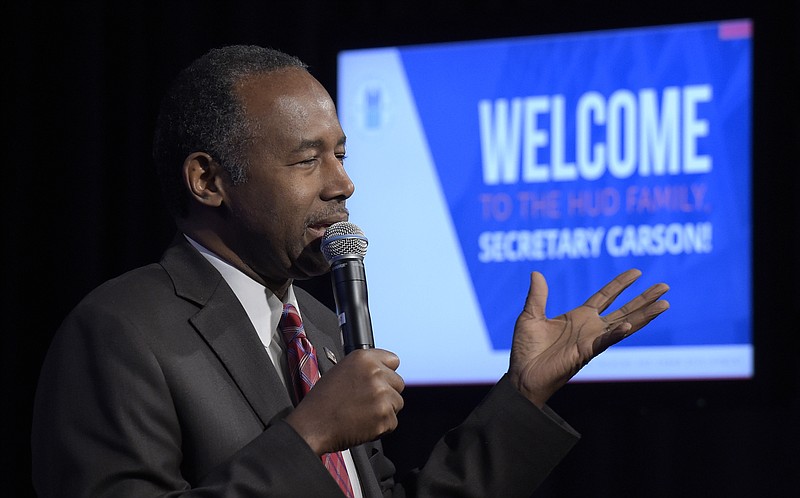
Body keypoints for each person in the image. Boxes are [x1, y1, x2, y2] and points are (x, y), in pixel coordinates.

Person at [31, 45, 670, 497]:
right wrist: (308, 433)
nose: (344, 182)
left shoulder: (316, 328)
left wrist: (524, 395)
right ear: (209, 180)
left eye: (340, 153)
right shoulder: (122, 331)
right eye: (309, 160)